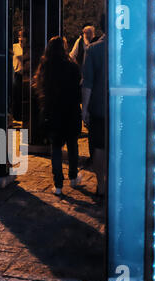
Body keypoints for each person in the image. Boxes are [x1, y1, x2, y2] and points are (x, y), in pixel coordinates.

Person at [35, 36, 82, 195]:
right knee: (72, 145)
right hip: (71, 110)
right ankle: (74, 177)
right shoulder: (72, 66)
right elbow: (77, 90)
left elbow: (41, 89)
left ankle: (58, 185)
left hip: (53, 111)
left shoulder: (45, 66)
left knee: (55, 148)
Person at [82, 18, 106, 200]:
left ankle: (101, 184)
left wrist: (84, 109)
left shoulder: (94, 49)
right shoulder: (131, 49)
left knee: (98, 146)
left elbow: (87, 83)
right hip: (127, 109)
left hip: (99, 106)